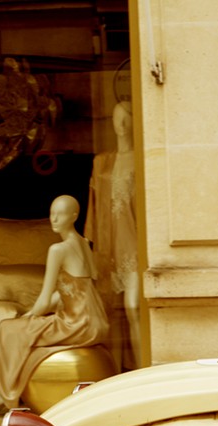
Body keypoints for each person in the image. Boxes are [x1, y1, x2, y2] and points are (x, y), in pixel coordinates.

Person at [0, 195, 110, 418]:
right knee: (17, 329)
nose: (54, 218)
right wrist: (32, 317)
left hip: (76, 322)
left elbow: (45, 299)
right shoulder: (84, 243)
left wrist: (29, 316)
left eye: (60, 214)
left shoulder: (58, 249)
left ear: (74, 216)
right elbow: (75, 288)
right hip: (93, 319)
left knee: (7, 328)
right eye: (51, 213)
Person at [85, 99, 142, 368]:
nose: (119, 125)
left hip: (134, 244)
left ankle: (144, 367)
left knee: (133, 307)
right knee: (111, 314)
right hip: (108, 246)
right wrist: (88, 244)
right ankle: (115, 372)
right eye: (115, 119)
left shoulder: (142, 159)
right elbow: (93, 206)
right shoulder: (102, 162)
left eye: (125, 119)